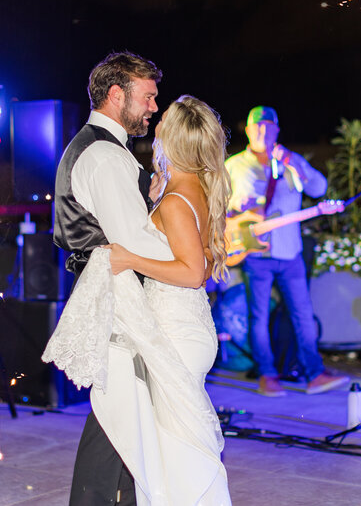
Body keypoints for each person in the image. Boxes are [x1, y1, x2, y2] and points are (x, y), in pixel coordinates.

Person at [44, 94, 231, 504]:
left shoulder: (179, 200)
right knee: (166, 452)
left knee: (175, 457)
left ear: (175, 137)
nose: (155, 117)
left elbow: (193, 272)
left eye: (163, 117)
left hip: (177, 332)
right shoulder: (188, 188)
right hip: (185, 327)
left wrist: (130, 257)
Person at [47, 51, 171, 506]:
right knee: (117, 412)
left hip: (108, 288)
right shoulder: (103, 153)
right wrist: (189, 260)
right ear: (117, 94)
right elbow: (132, 240)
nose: (154, 107)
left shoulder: (103, 149)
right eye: (148, 96)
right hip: (118, 294)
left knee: (122, 411)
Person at [225, 106, 348, 397]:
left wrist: (292, 161)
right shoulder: (234, 165)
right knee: (259, 316)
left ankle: (313, 374)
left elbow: (319, 188)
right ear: (248, 130)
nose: (263, 132)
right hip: (255, 252)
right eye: (258, 127)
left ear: (277, 131)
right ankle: (268, 375)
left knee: (303, 314)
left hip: (289, 252)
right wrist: (235, 206)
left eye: (268, 127)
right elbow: (218, 205)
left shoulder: (291, 162)